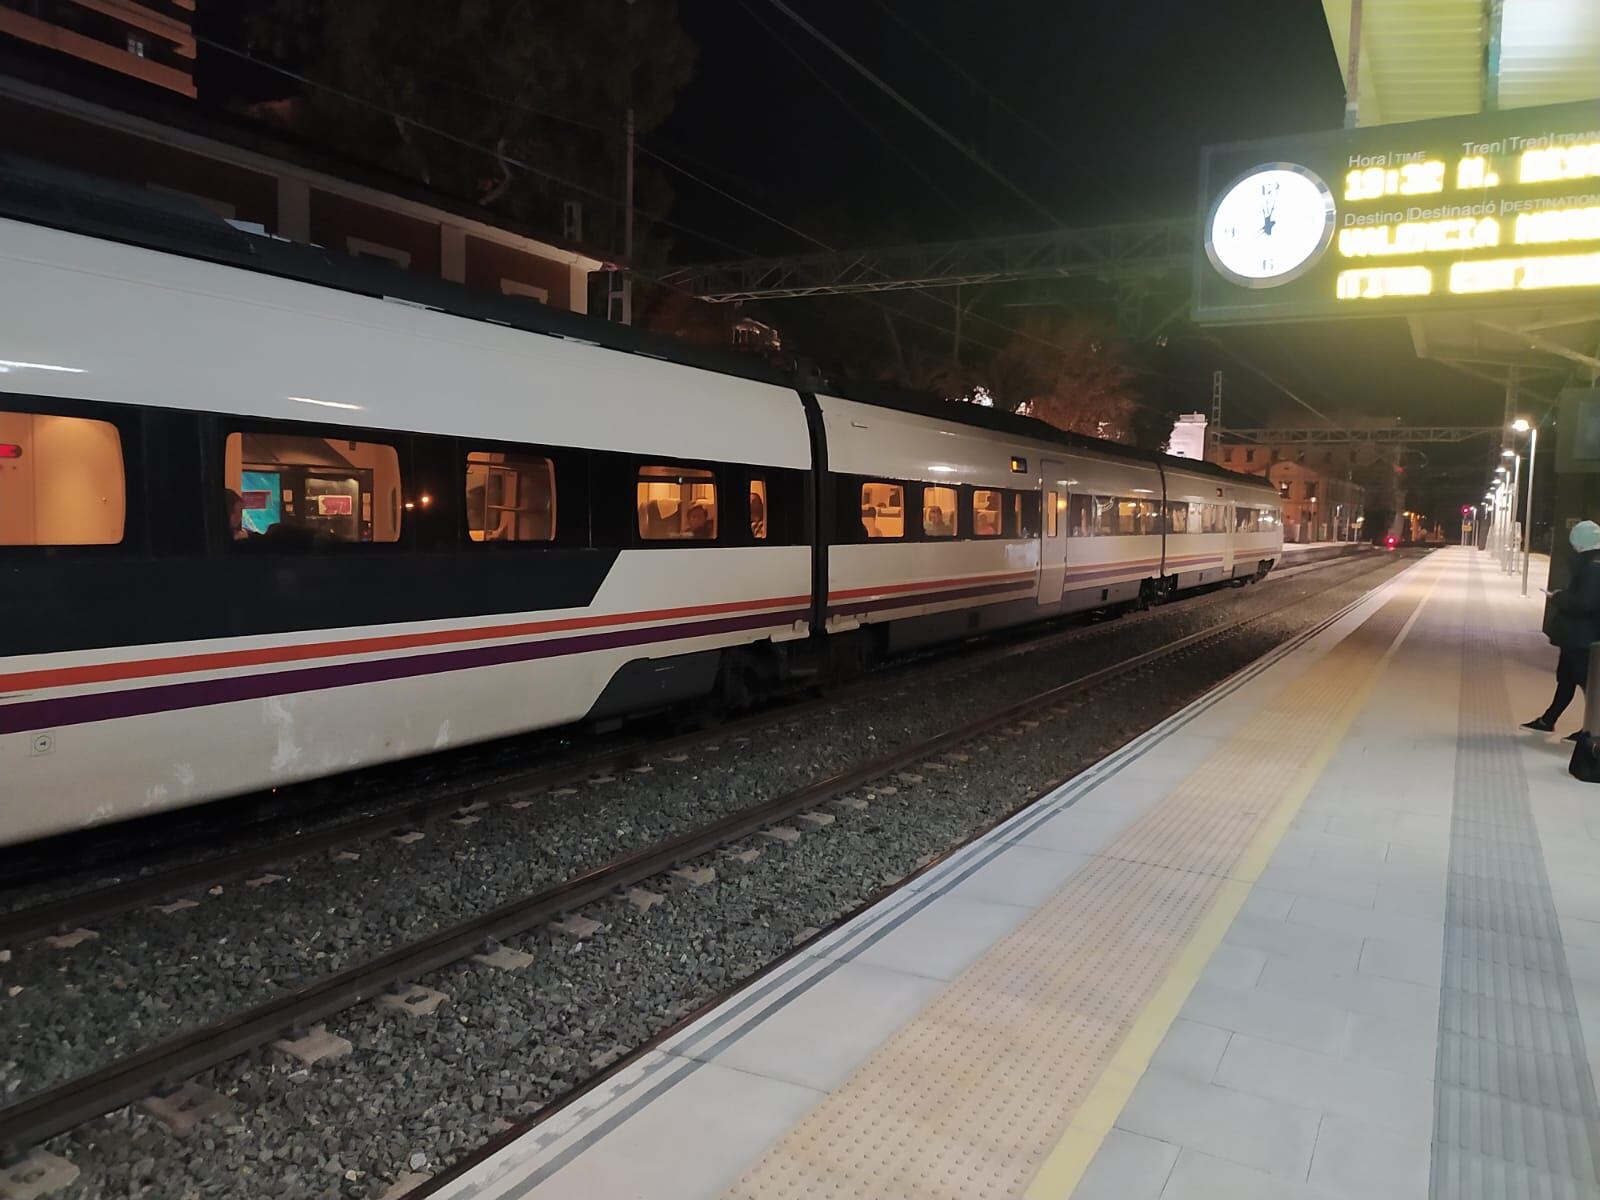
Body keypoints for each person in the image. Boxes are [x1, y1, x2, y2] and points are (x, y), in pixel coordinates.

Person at [1524, 519, 1600, 736]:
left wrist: (1558, 597)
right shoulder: (1591, 562)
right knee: (1567, 678)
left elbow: (1586, 602)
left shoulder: (1594, 565)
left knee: (1589, 685)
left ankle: (1593, 732)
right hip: (1576, 635)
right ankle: (1548, 720)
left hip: (1583, 637)